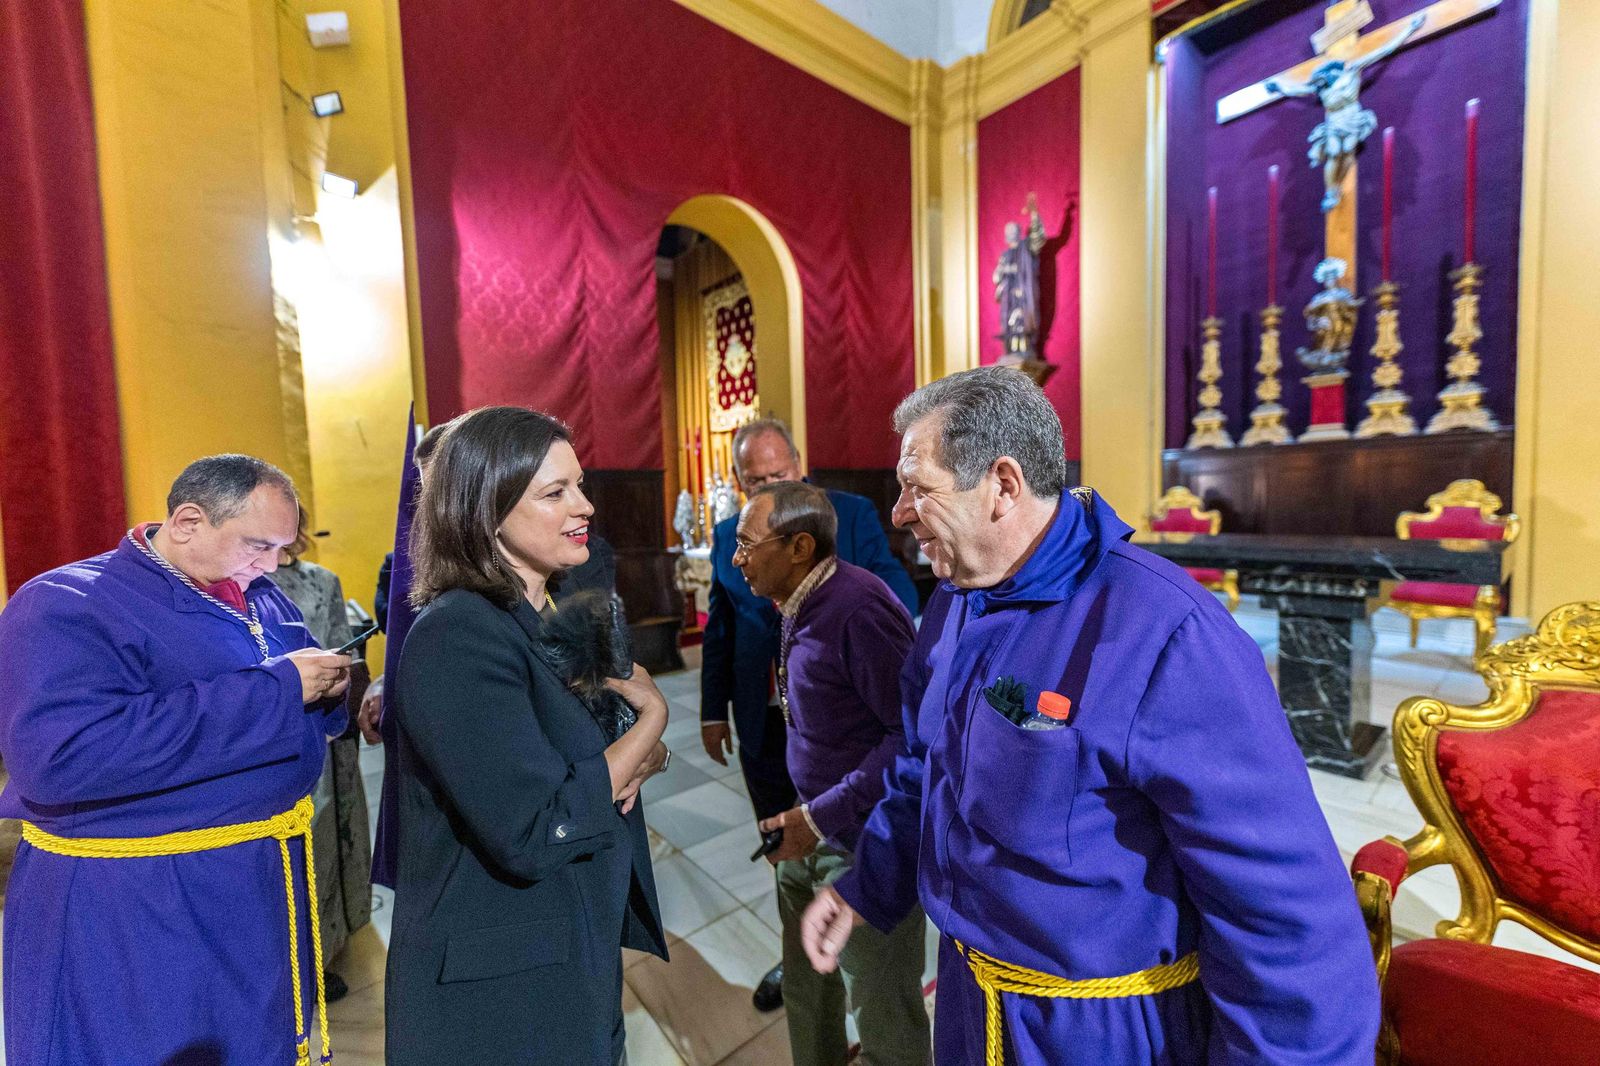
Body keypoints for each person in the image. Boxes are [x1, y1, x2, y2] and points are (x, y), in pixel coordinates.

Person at [800, 367, 1379, 1065]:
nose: (897, 512)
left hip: (1099, 1031)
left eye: (918, 488)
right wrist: (868, 884)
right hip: (968, 1003)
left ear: (1003, 485)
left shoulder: (1168, 634)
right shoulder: (955, 601)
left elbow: (1289, 926)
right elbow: (927, 764)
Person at [0, 454, 352, 1065]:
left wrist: (336, 691)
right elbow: (63, 757)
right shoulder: (65, 604)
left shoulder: (260, 595)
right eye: (258, 544)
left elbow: (293, 690)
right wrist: (278, 690)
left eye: (282, 548)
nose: (271, 565)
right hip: (134, 906)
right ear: (188, 520)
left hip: (253, 885)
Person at [386, 406, 670, 1065]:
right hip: (501, 989)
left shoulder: (550, 610)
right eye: (555, 492)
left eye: (578, 485)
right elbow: (535, 830)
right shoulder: (458, 634)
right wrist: (653, 716)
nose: (586, 507)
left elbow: (588, 749)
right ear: (486, 508)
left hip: (569, 945)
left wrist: (635, 754)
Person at [700, 416, 918, 1009]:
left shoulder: (842, 530)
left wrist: (861, 623)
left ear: (800, 467)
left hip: (848, 739)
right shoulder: (733, 536)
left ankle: (850, 954)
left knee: (876, 979)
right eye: (756, 479)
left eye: (780, 473)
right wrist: (710, 710)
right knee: (790, 863)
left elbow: (892, 593)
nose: (769, 484)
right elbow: (721, 625)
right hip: (769, 722)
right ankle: (806, 956)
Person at [735, 482, 930, 1066]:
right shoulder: (797, 601)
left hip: (866, 845)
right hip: (809, 828)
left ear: (798, 546)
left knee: (883, 1013)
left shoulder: (859, 607)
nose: (737, 557)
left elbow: (911, 738)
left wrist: (820, 818)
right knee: (807, 990)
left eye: (748, 544)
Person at [270, 506, 373, 1003]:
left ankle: (319, 954)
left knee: (320, 846)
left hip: (319, 734)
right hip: (263, 735)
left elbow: (342, 654)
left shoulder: (318, 581)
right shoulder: (225, 584)